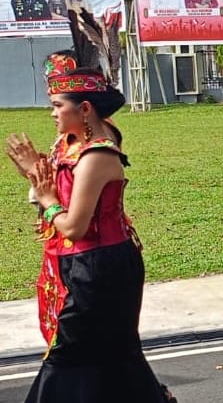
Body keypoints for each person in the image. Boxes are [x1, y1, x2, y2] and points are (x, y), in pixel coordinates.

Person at [5, 50, 174, 402]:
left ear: (84, 109)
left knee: (69, 357)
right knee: (113, 356)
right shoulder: (70, 144)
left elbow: (73, 226)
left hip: (99, 268)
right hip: (79, 264)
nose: (51, 113)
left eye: (57, 105)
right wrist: (36, 176)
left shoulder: (98, 155)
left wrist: (46, 195)